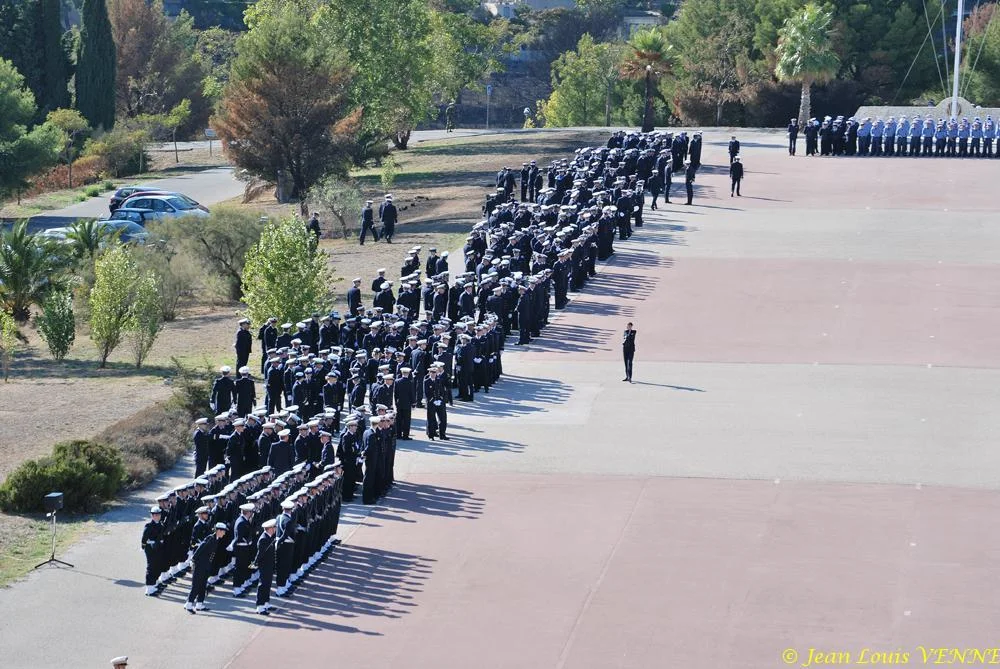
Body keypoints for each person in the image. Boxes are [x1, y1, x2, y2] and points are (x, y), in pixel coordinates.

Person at [186, 522, 226, 613]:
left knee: (203, 585)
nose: (224, 533)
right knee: (196, 585)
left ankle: (199, 604)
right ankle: (189, 603)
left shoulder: (216, 539)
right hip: (200, 565)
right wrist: (193, 560)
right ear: (218, 531)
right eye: (223, 531)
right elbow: (201, 548)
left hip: (206, 565)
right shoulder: (210, 538)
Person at [254, 518, 277, 614]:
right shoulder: (264, 539)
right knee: (263, 585)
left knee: (268, 584)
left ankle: (266, 603)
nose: (275, 529)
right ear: (270, 528)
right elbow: (260, 554)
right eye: (274, 527)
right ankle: (260, 606)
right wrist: (255, 563)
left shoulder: (269, 537)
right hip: (264, 565)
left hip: (269, 565)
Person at [141, 506, 164, 596]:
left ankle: (154, 584)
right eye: (155, 514)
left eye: (158, 514)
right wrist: (143, 546)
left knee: (157, 565)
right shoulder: (149, 526)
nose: (157, 516)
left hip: (158, 547)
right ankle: (149, 588)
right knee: (151, 566)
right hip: (150, 548)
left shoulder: (160, 524)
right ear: (152, 515)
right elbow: (144, 539)